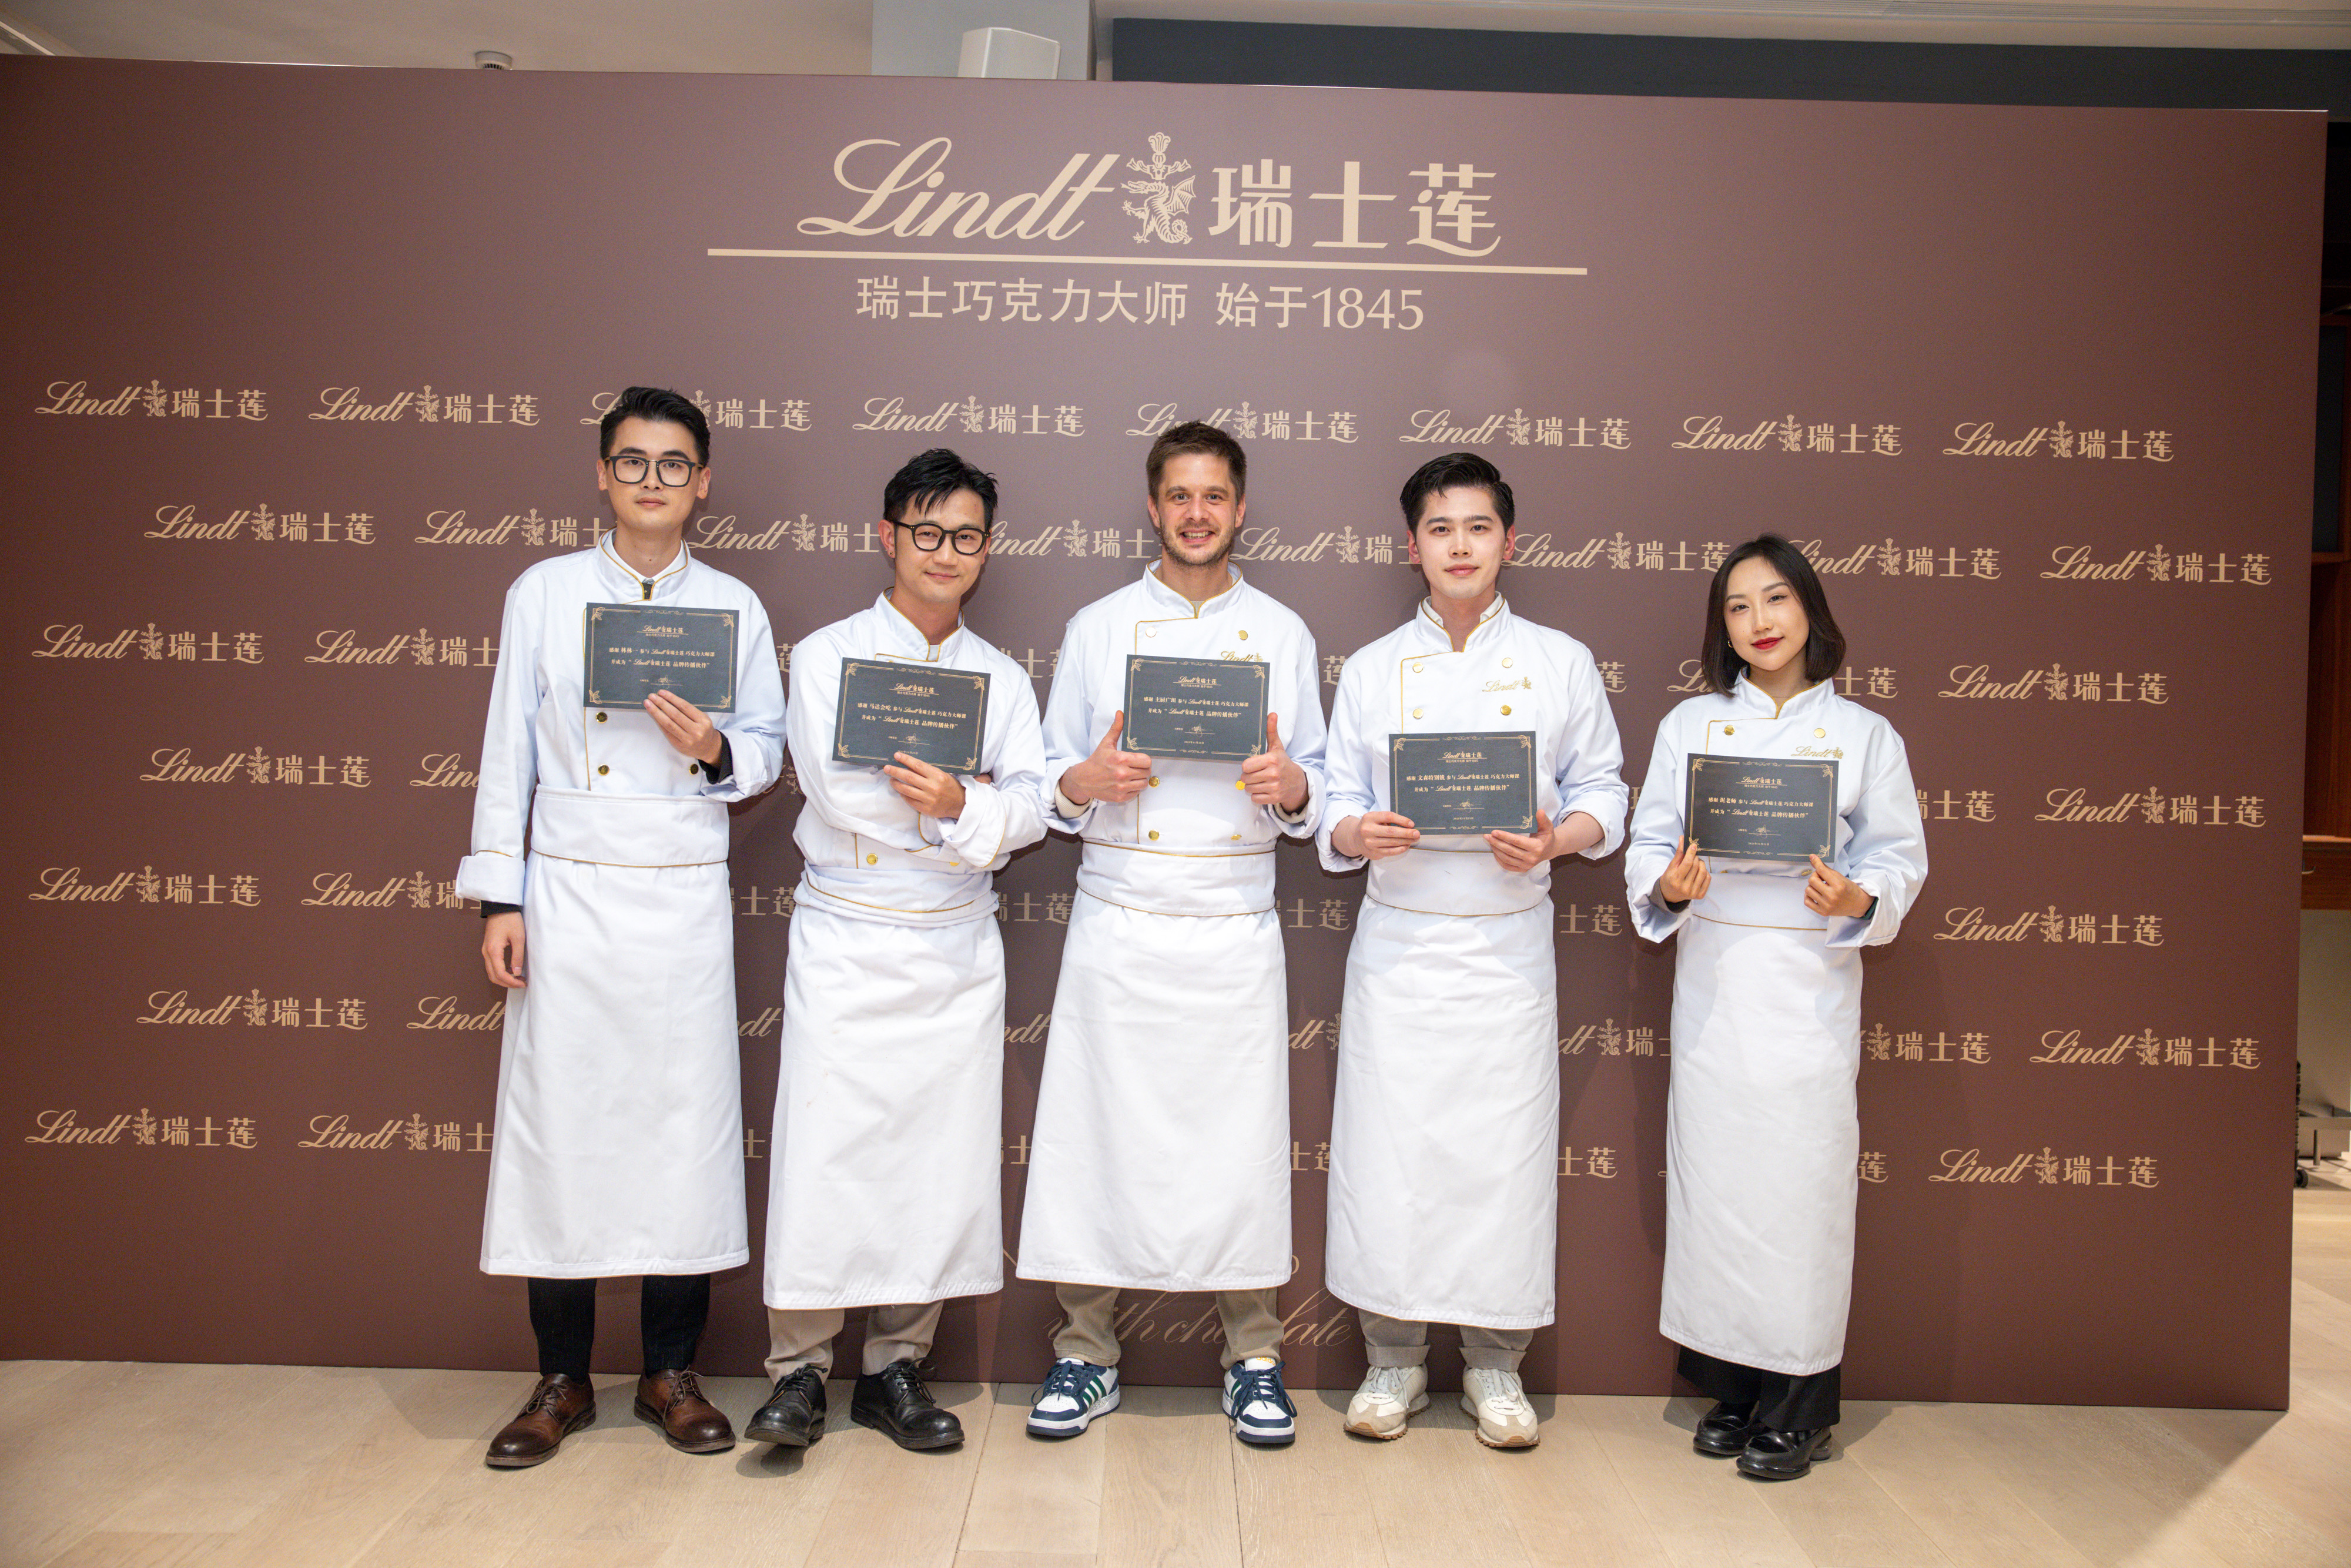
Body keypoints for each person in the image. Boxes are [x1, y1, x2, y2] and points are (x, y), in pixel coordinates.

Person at [456, 385, 786, 1468]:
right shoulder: (544, 592)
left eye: (674, 464)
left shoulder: (733, 605)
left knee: (681, 1134)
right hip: (568, 892)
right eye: (634, 462)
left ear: (704, 482)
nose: (654, 481)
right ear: (603, 475)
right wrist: (501, 896)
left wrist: (714, 748)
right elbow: (507, 747)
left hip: (680, 895)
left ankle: (669, 1372)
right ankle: (560, 1378)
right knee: (563, 1132)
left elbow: (768, 751)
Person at [1016, 420, 1326, 1447]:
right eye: (1180, 496)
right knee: (1095, 1139)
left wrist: (1291, 789)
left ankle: (1254, 1358)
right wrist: (1085, 781)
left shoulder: (1282, 632)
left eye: (1215, 496)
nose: (1197, 514)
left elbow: (1318, 789)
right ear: (1153, 508)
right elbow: (1049, 779)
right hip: (1121, 912)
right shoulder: (1099, 626)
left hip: (1233, 916)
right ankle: (1085, 1353)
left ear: (1241, 509)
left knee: (1239, 1150)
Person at [1317, 452, 1626, 1448]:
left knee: (1504, 1158)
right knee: (1391, 1155)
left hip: (1505, 949)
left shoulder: (1559, 661)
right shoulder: (1372, 668)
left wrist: (1556, 840)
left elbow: (1605, 792)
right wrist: (1357, 830)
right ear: (1412, 547)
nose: (1460, 545)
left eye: (1479, 527)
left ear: (1509, 541)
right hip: (1401, 944)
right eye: (1441, 529)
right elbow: (1332, 799)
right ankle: (1393, 1361)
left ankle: (1497, 1366)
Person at [746, 449, 1049, 1453]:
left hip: (952, 942)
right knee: (824, 1151)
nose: (945, 553)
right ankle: (797, 1372)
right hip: (849, 928)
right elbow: (837, 792)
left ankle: (896, 1369)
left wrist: (965, 805)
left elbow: (1032, 808)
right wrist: (960, 815)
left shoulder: (1002, 677)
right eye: (927, 532)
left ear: (987, 549)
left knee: (934, 1160)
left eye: (965, 536)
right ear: (888, 537)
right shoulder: (829, 656)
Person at [1622, 534, 1927, 1480]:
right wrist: (1669, 884)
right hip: (1716, 989)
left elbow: (1899, 858)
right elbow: (1647, 843)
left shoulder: (1867, 735)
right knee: (1718, 1193)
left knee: (1800, 1199)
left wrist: (1859, 899)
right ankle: (1734, 1389)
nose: (1759, 621)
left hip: (1808, 993)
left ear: (1811, 611)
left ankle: (1799, 1406)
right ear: (1722, 629)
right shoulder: (1690, 726)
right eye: (1738, 606)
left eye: (1777, 599)